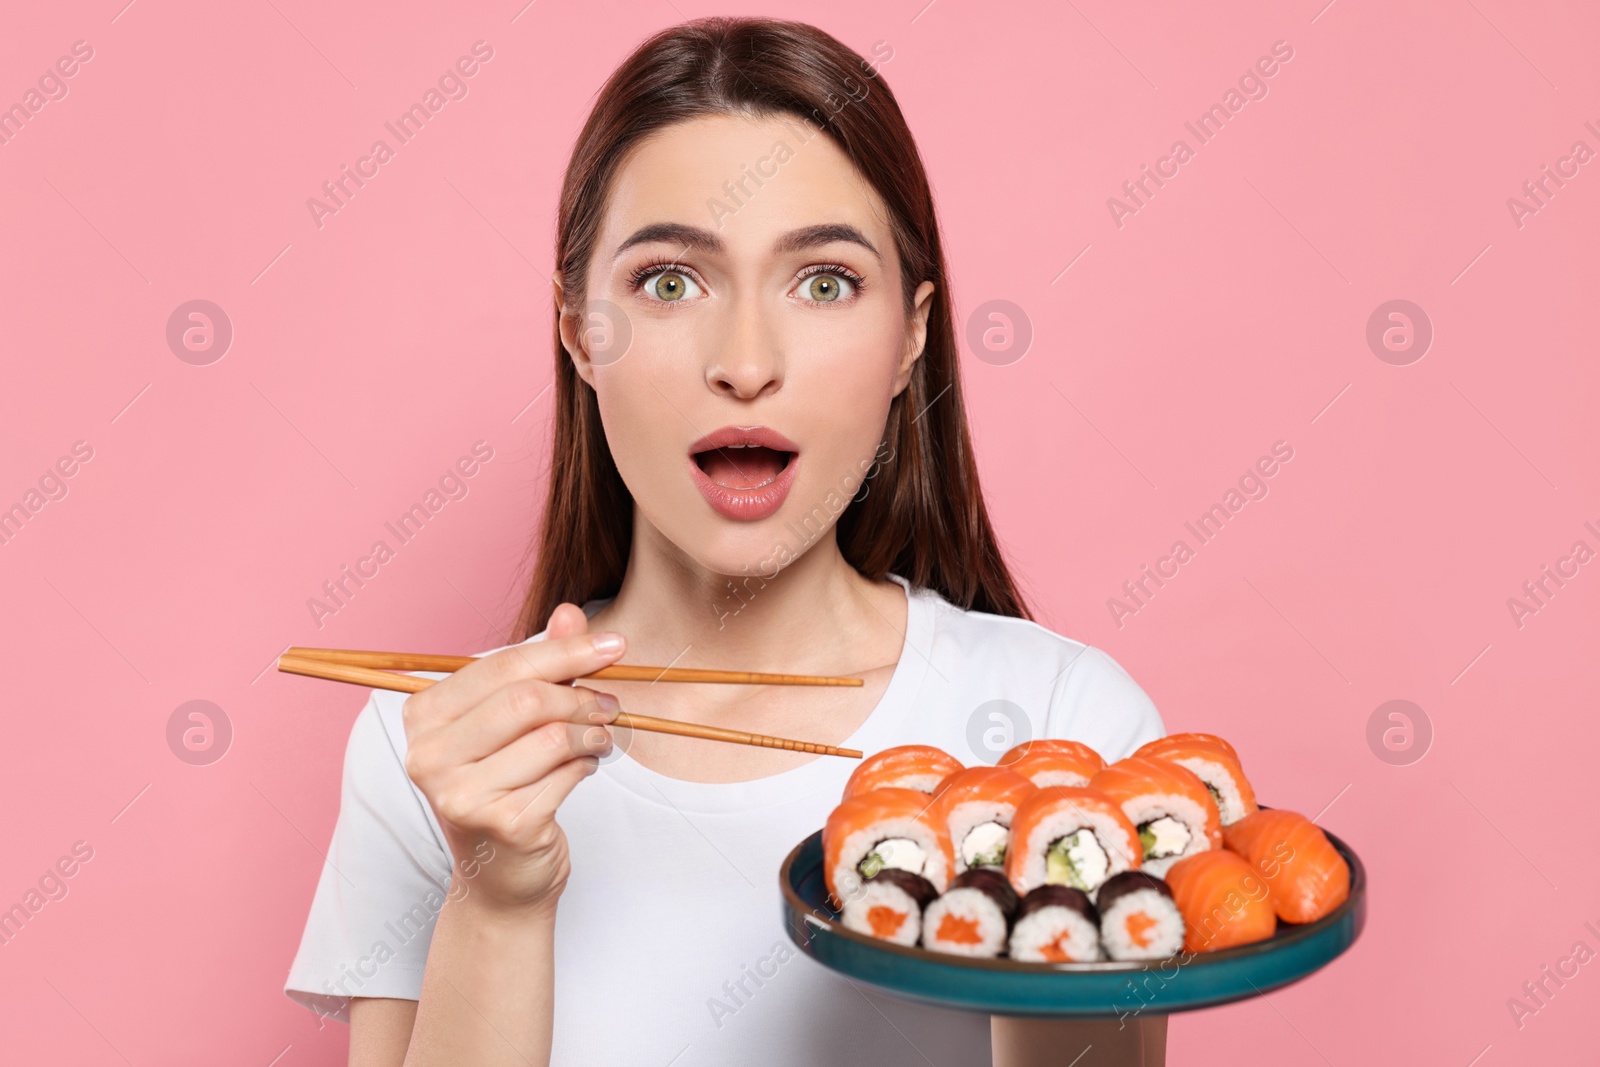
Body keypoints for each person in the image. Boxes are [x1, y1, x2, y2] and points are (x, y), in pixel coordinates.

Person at [284, 17, 1167, 1066]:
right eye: (669, 281)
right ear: (579, 331)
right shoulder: (437, 750)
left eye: (825, 281)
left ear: (912, 333)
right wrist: (496, 894)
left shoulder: (1066, 733)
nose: (745, 362)